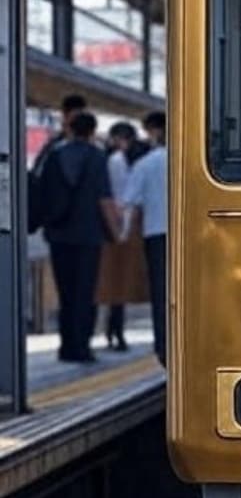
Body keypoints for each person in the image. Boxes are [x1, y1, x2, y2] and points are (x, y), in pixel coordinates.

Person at [38, 110, 119, 363]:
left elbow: (42, 191)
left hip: (59, 234)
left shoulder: (54, 156)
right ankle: (82, 347)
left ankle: (66, 347)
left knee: (66, 293)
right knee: (85, 292)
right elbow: (104, 198)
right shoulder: (97, 157)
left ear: (70, 129)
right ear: (93, 132)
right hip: (88, 235)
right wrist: (115, 232)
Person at [95, 121, 149, 350]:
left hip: (112, 228)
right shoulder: (120, 160)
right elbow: (124, 197)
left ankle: (112, 329)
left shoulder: (113, 159)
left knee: (113, 283)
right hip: (121, 227)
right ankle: (114, 330)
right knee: (118, 283)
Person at [122, 110, 167, 367]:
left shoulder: (145, 164)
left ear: (153, 131)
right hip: (193, 235)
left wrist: (123, 234)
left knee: (162, 294)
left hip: (155, 235)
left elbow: (129, 202)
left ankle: (164, 347)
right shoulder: (192, 160)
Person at [28, 93, 86, 234]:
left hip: (77, 220)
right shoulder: (54, 146)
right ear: (65, 118)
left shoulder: (89, 148)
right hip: (58, 220)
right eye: (74, 118)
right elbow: (39, 177)